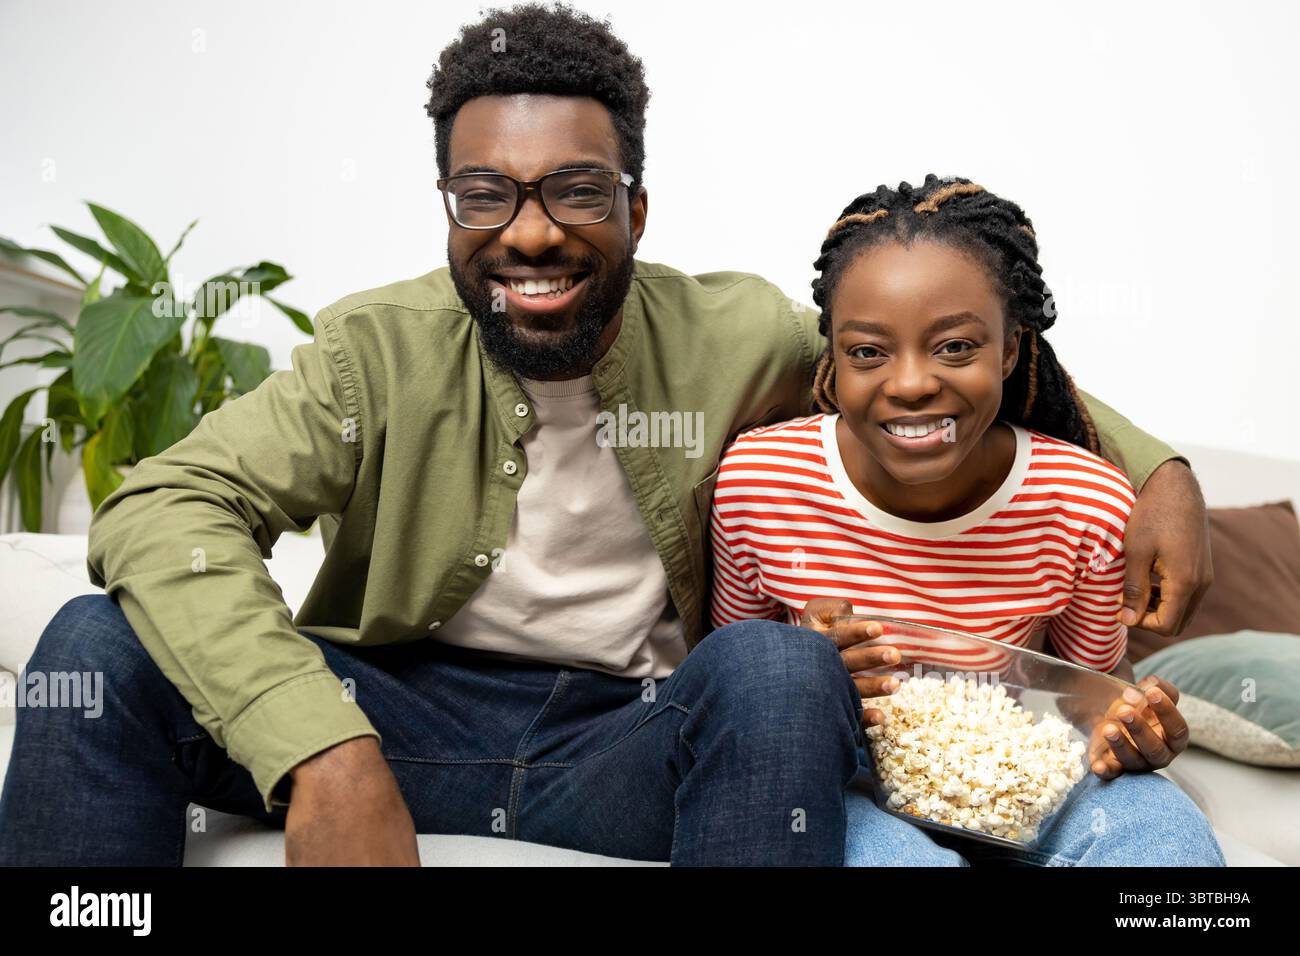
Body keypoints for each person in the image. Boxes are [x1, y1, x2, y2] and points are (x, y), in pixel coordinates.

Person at [0, 4, 1212, 866]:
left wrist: (1152, 468)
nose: (529, 233)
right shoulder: (373, 352)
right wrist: (322, 748)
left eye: (576, 189)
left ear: (636, 206)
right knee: (95, 639)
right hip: (386, 708)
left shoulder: (736, 332)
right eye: (488, 194)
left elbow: (925, 368)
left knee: (783, 667)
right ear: (450, 208)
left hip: (630, 734)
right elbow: (164, 506)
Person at [708, 175, 1224, 865]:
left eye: (956, 347)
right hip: (841, 775)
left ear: (1010, 350)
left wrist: (1127, 728)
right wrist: (810, 670)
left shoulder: (1086, 505)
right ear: (830, 353)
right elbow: (731, 678)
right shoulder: (760, 480)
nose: (913, 382)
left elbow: (1079, 706)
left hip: (1017, 771)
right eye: (867, 351)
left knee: (1165, 836)